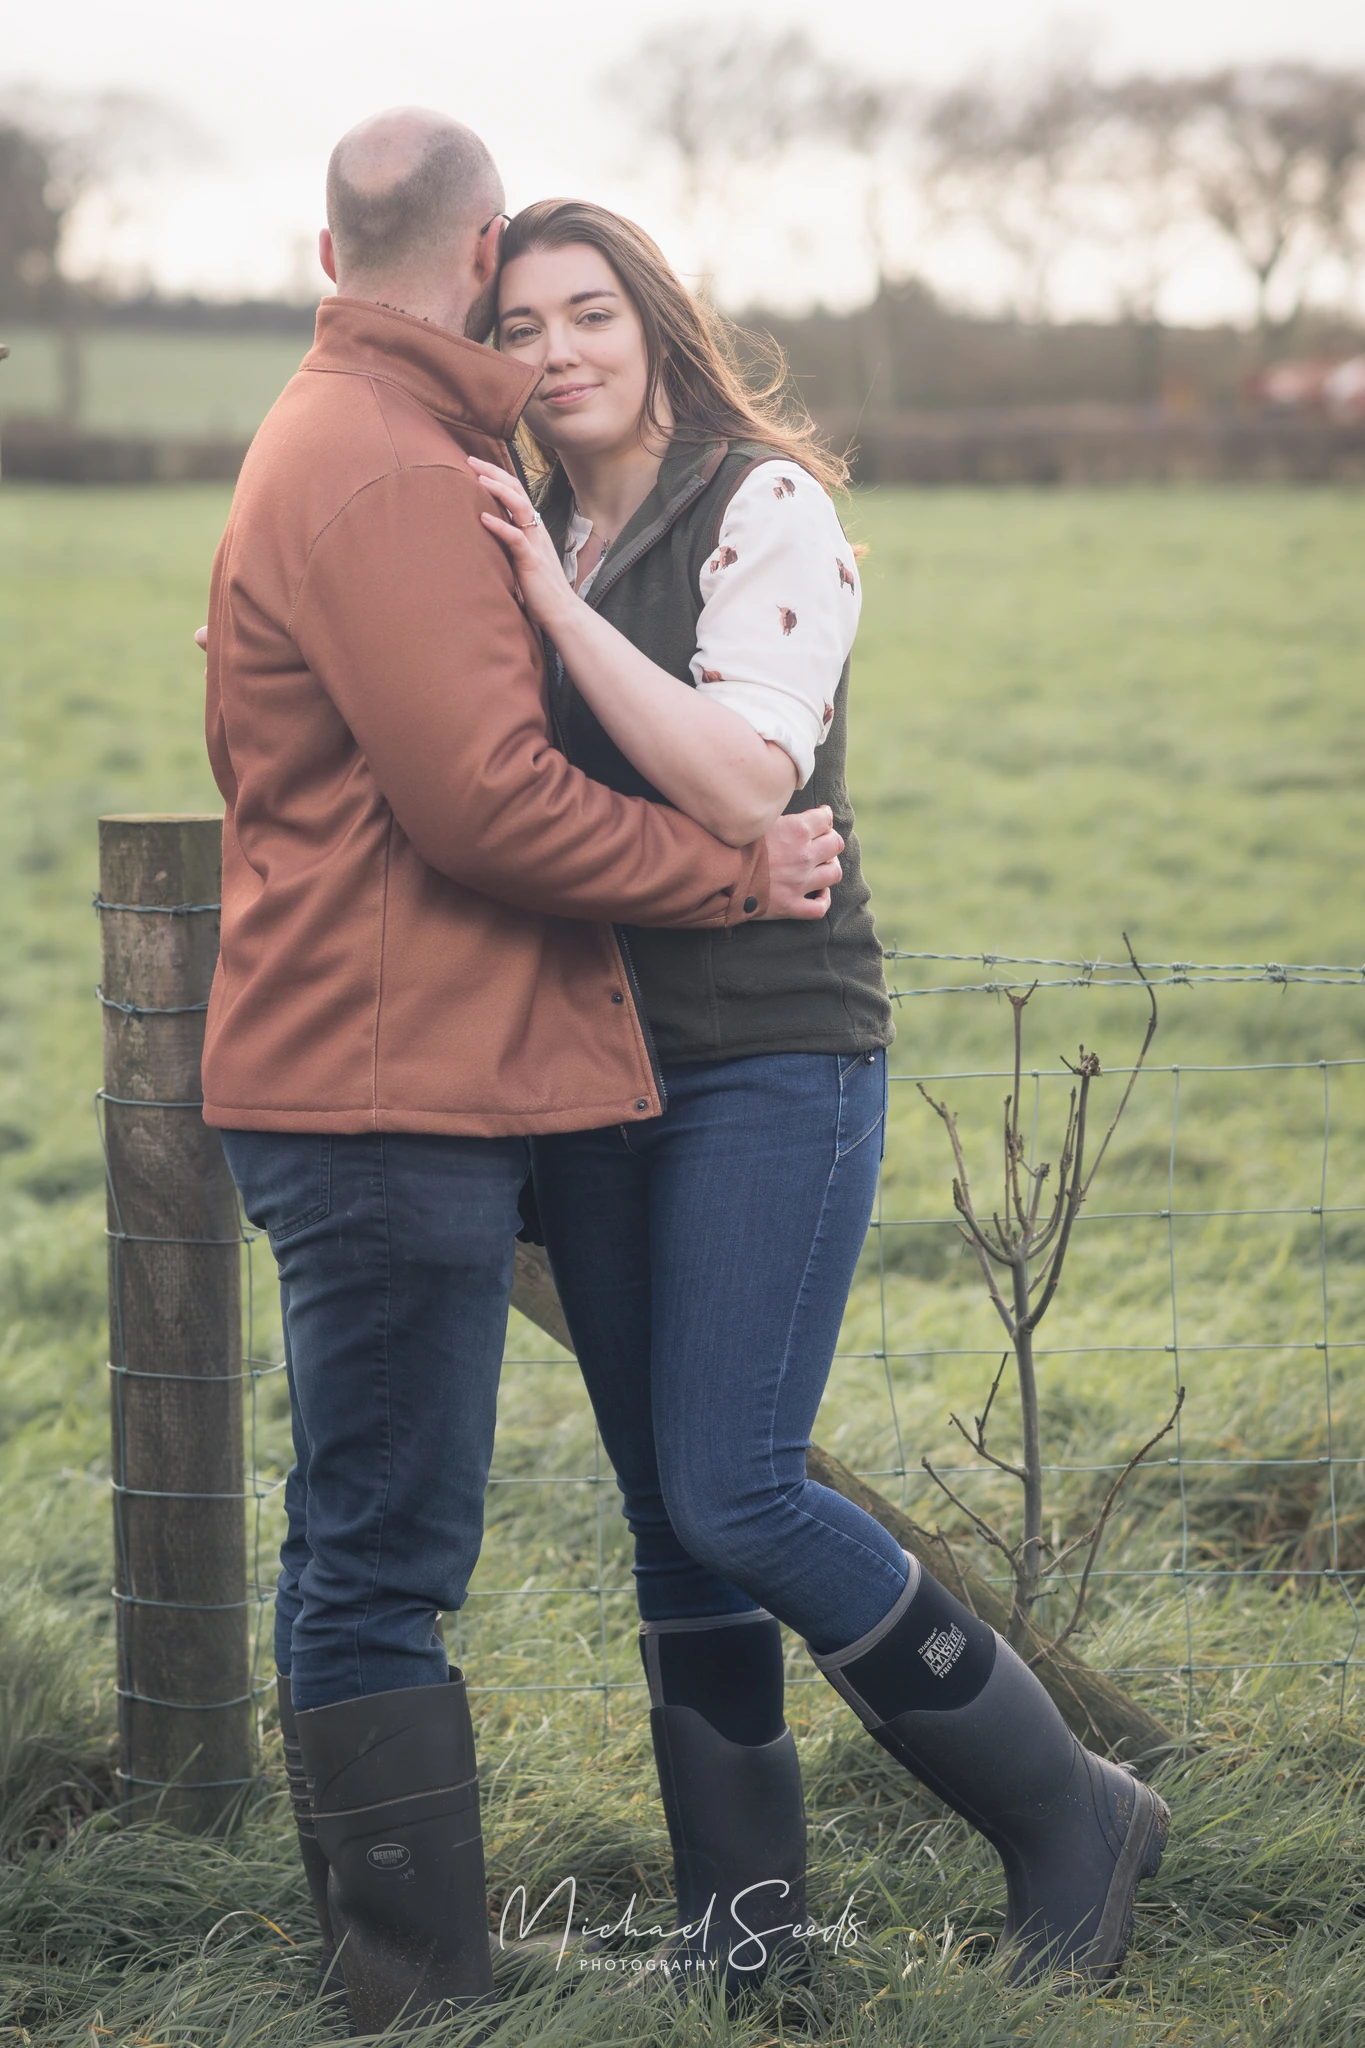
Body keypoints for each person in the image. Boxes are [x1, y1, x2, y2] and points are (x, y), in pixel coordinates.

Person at [475, 199, 1171, 1990]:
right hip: (593, 1070)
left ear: (654, 322)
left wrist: (552, 597)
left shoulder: (763, 510)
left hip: (771, 1056)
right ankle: (749, 1939)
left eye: (588, 314)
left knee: (735, 1488)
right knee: (665, 1514)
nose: (556, 354)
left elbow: (734, 775)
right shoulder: (529, 517)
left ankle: (1074, 1821)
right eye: (521, 326)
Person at [200, 112, 843, 2033]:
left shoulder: (403, 441)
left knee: (416, 1535)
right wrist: (729, 872)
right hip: (383, 1084)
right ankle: (413, 1994)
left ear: (330, 257)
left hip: (415, 1068)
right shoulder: (392, 464)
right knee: (383, 1555)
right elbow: (484, 803)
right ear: (478, 250)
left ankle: (687, 1955)